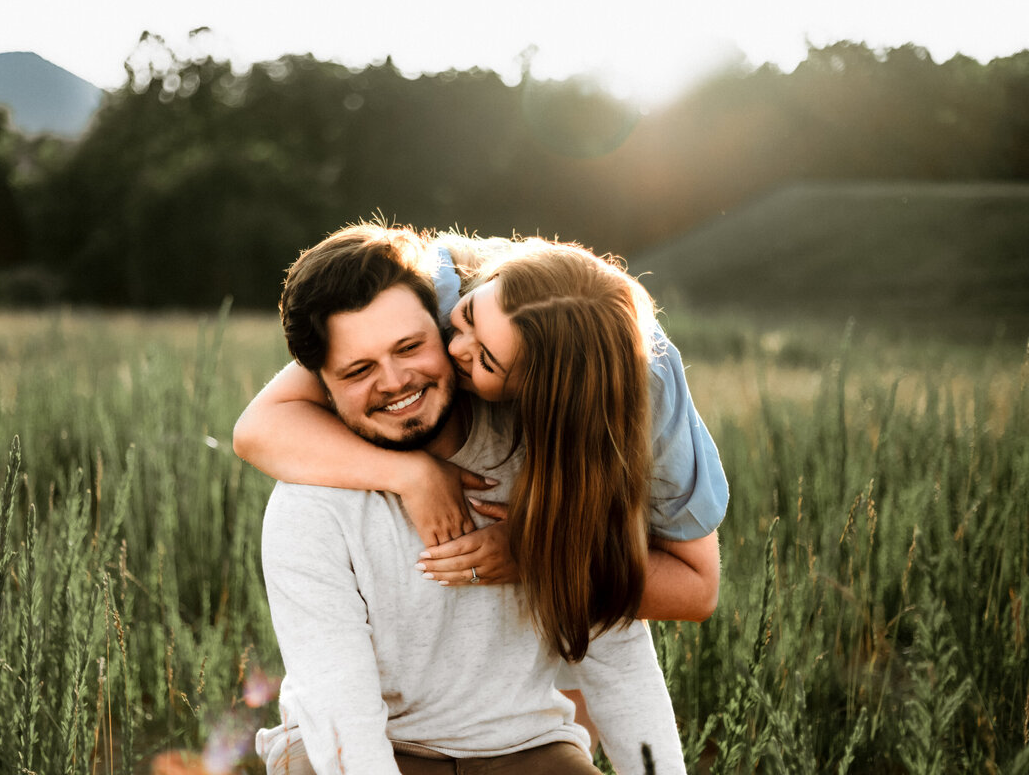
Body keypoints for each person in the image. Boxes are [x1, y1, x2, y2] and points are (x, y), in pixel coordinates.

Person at [237, 222, 728, 772]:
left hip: (525, 746)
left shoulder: (553, 470)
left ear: (532, 387)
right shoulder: (310, 503)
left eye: (411, 347)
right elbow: (340, 710)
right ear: (319, 384)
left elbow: (625, 649)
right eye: (358, 369)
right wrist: (416, 475)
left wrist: (541, 553)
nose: (397, 380)